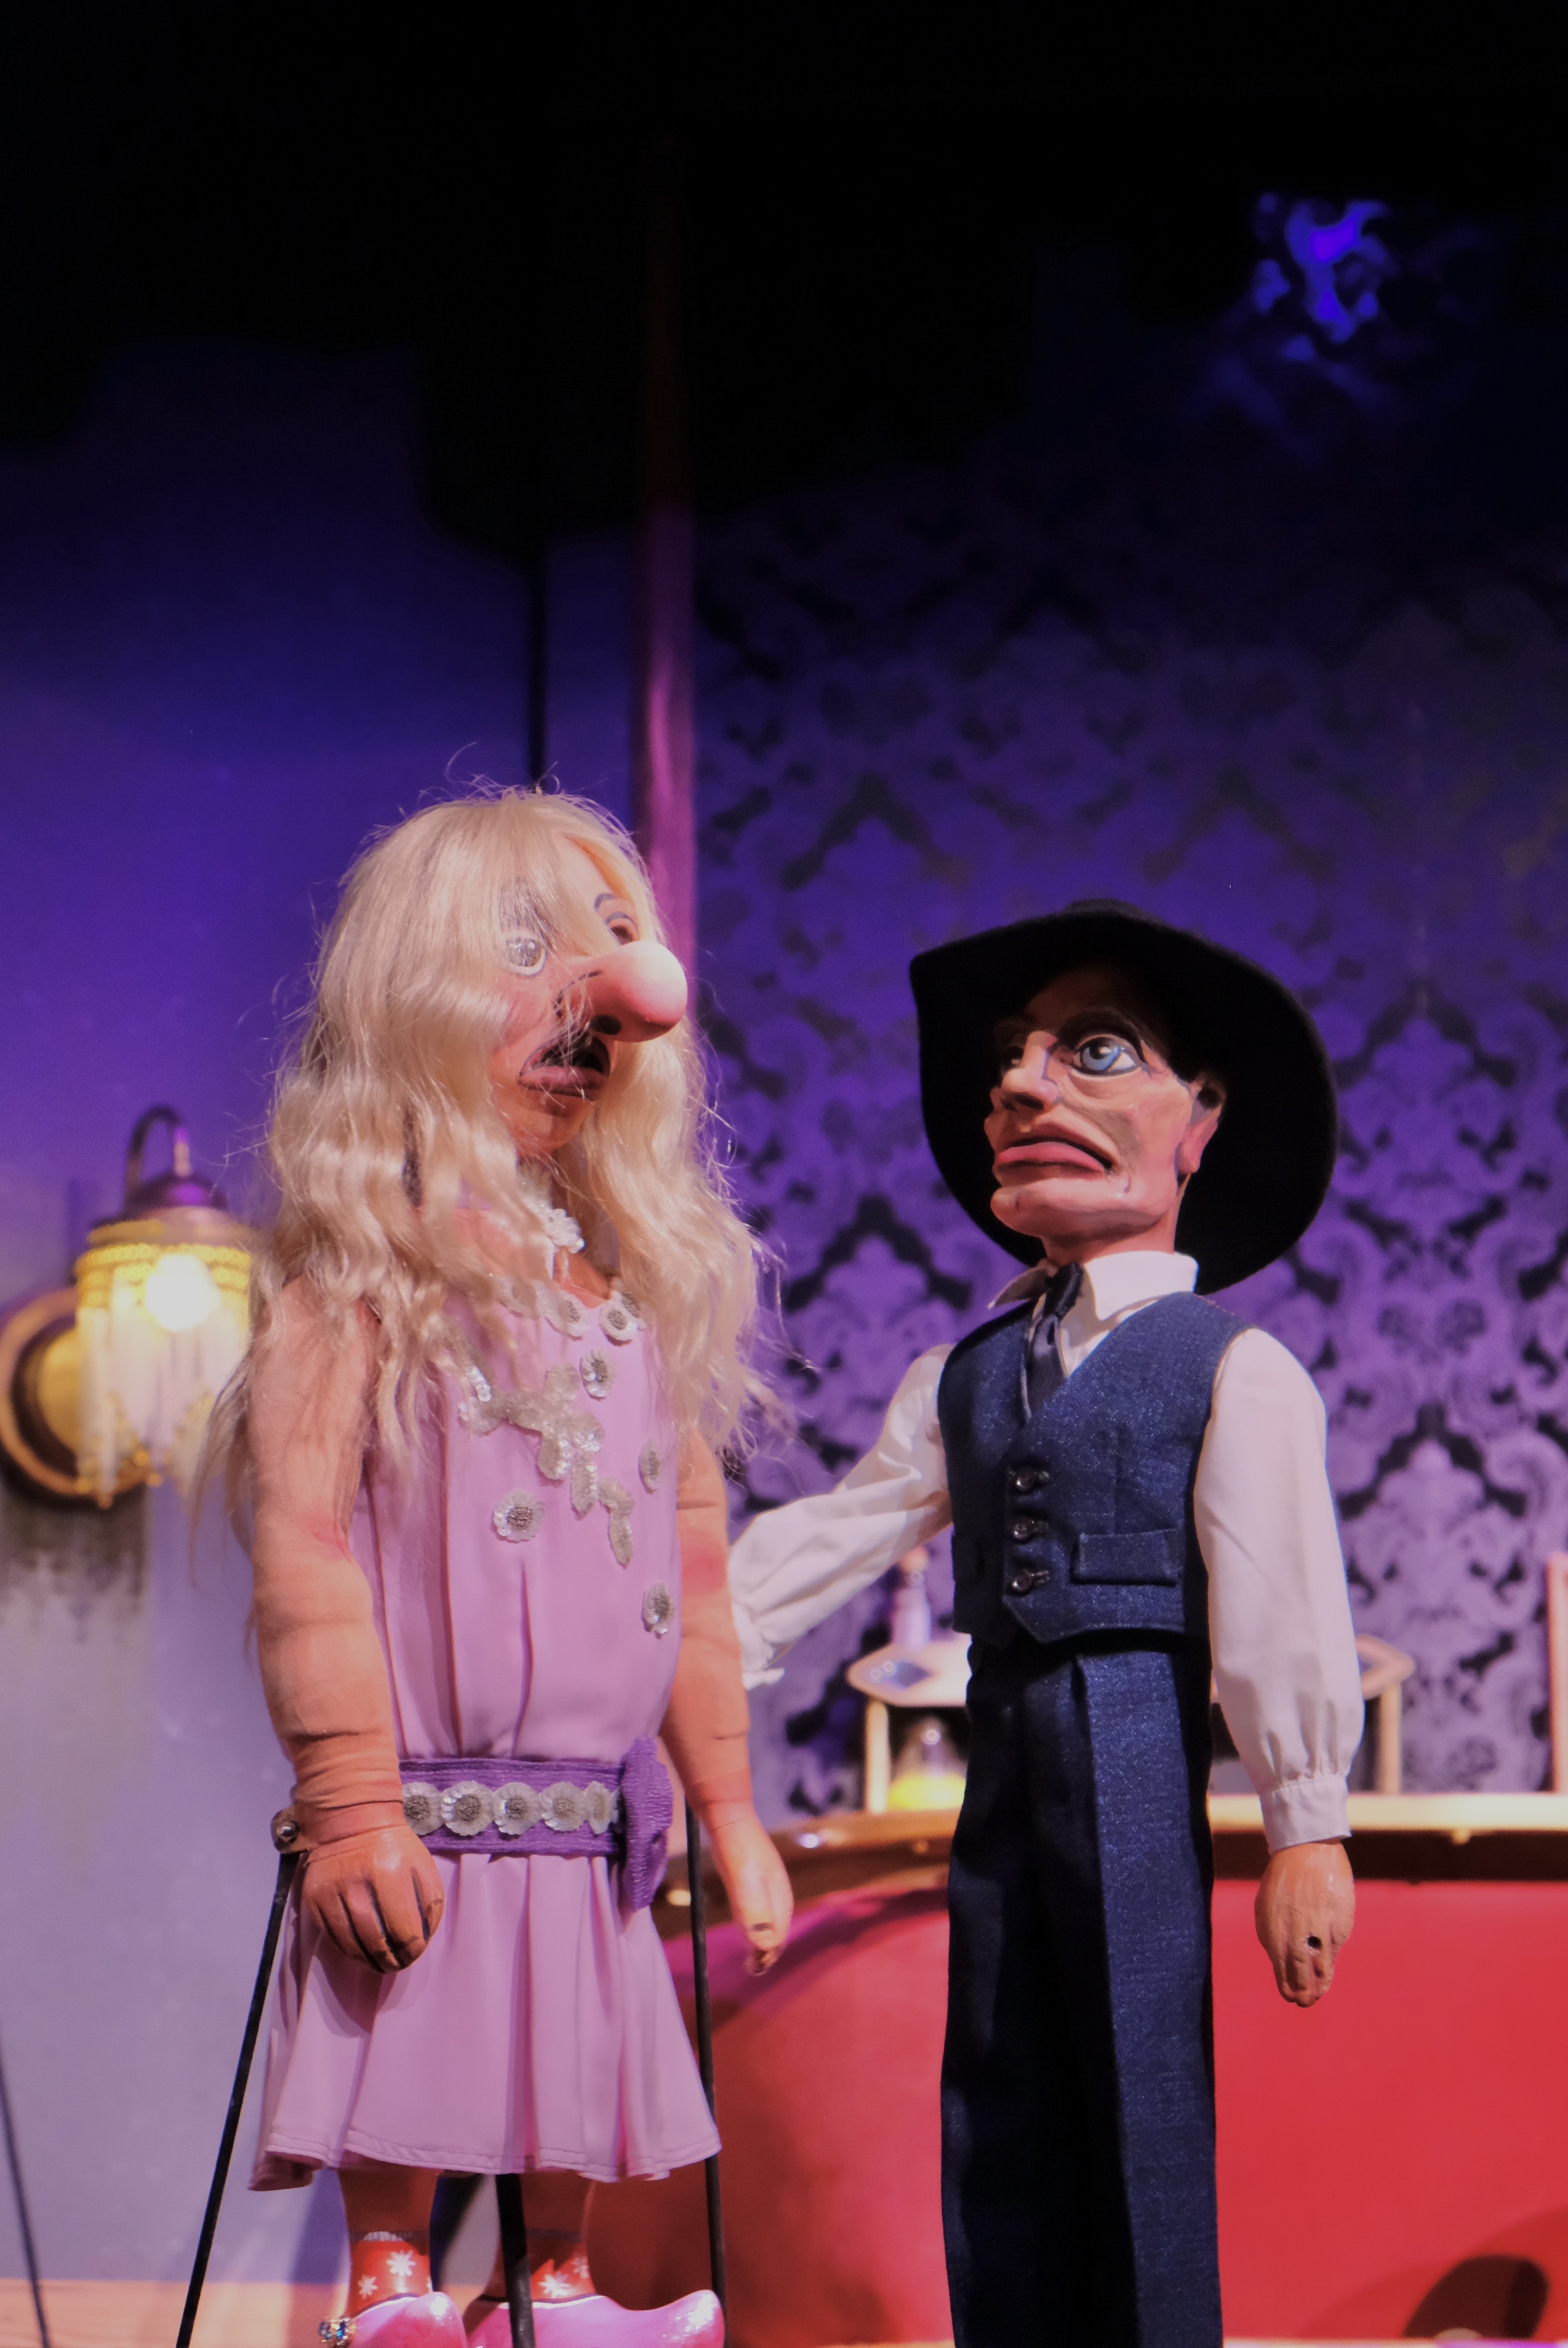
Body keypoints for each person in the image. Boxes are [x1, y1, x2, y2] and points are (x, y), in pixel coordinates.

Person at [727, 901, 1364, 2348]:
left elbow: (1279, 1598)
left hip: (1137, 1742)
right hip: (1004, 1755)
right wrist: (683, 1643)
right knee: (998, 2087)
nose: (1022, 1085)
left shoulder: (1233, 1370)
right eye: (1011, 1060)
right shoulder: (964, 1374)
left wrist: (1305, 1823)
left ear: (1200, 1120)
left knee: (1142, 2090)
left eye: (1095, 1051)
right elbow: (847, 1527)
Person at [215, 789, 792, 2346]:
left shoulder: (631, 1299)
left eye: (609, 942)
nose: (602, 994)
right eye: (526, 948)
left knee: (572, 2033)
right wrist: (349, 1796)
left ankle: (557, 2280)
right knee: (418, 2009)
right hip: (424, 1804)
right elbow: (304, 1548)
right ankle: (390, 2277)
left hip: (590, 1821)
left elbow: (693, 1570)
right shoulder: (361, 1281)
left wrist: (731, 1806)